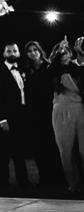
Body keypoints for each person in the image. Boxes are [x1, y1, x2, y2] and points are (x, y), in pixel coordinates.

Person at [24, 40, 66, 187]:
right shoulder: (27, 71)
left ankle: (58, 178)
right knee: (38, 148)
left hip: (50, 112)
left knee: (52, 147)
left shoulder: (47, 67)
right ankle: (44, 179)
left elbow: (55, 68)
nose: (32, 53)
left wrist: (60, 51)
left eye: (35, 50)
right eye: (29, 51)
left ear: (40, 51)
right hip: (34, 115)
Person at [0, 43, 32, 189]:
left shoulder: (23, 70)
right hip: (7, 118)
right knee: (4, 153)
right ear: (4, 54)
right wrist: (2, 119)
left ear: (19, 53)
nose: (12, 53)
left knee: (19, 151)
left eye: (15, 50)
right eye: (9, 51)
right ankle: (3, 183)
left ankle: (23, 182)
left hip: (21, 117)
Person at [47, 38, 84, 193]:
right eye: (60, 52)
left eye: (66, 52)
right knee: (65, 150)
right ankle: (74, 184)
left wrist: (80, 52)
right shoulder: (52, 70)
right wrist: (59, 53)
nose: (63, 55)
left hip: (80, 110)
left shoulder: (76, 68)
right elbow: (52, 69)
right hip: (60, 111)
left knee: (83, 150)